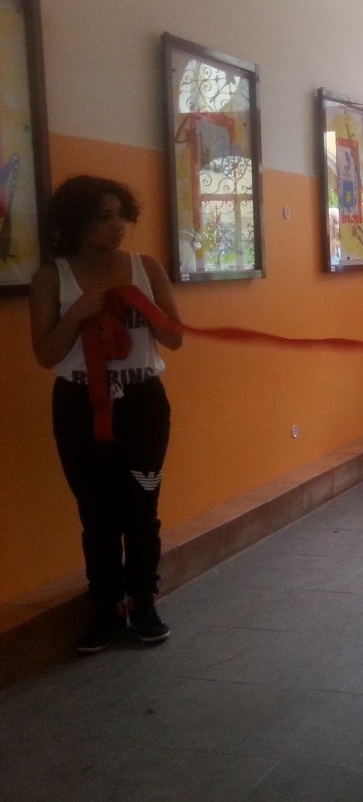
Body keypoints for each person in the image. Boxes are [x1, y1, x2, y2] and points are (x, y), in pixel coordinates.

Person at [28, 176, 183, 652]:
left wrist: (145, 309)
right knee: (96, 515)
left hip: (142, 404)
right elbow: (46, 354)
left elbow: (175, 337)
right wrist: (77, 313)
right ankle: (107, 608)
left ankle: (144, 601)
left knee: (141, 509)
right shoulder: (52, 277)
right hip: (79, 405)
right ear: (76, 223)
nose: (117, 227)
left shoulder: (145, 267)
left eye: (121, 216)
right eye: (103, 218)